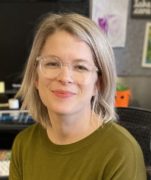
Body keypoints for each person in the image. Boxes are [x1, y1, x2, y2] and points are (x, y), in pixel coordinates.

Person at [9, 13, 146, 180]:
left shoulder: (121, 153)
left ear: (98, 84)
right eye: (52, 63)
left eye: (80, 67)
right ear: (36, 77)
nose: (65, 77)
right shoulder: (23, 145)